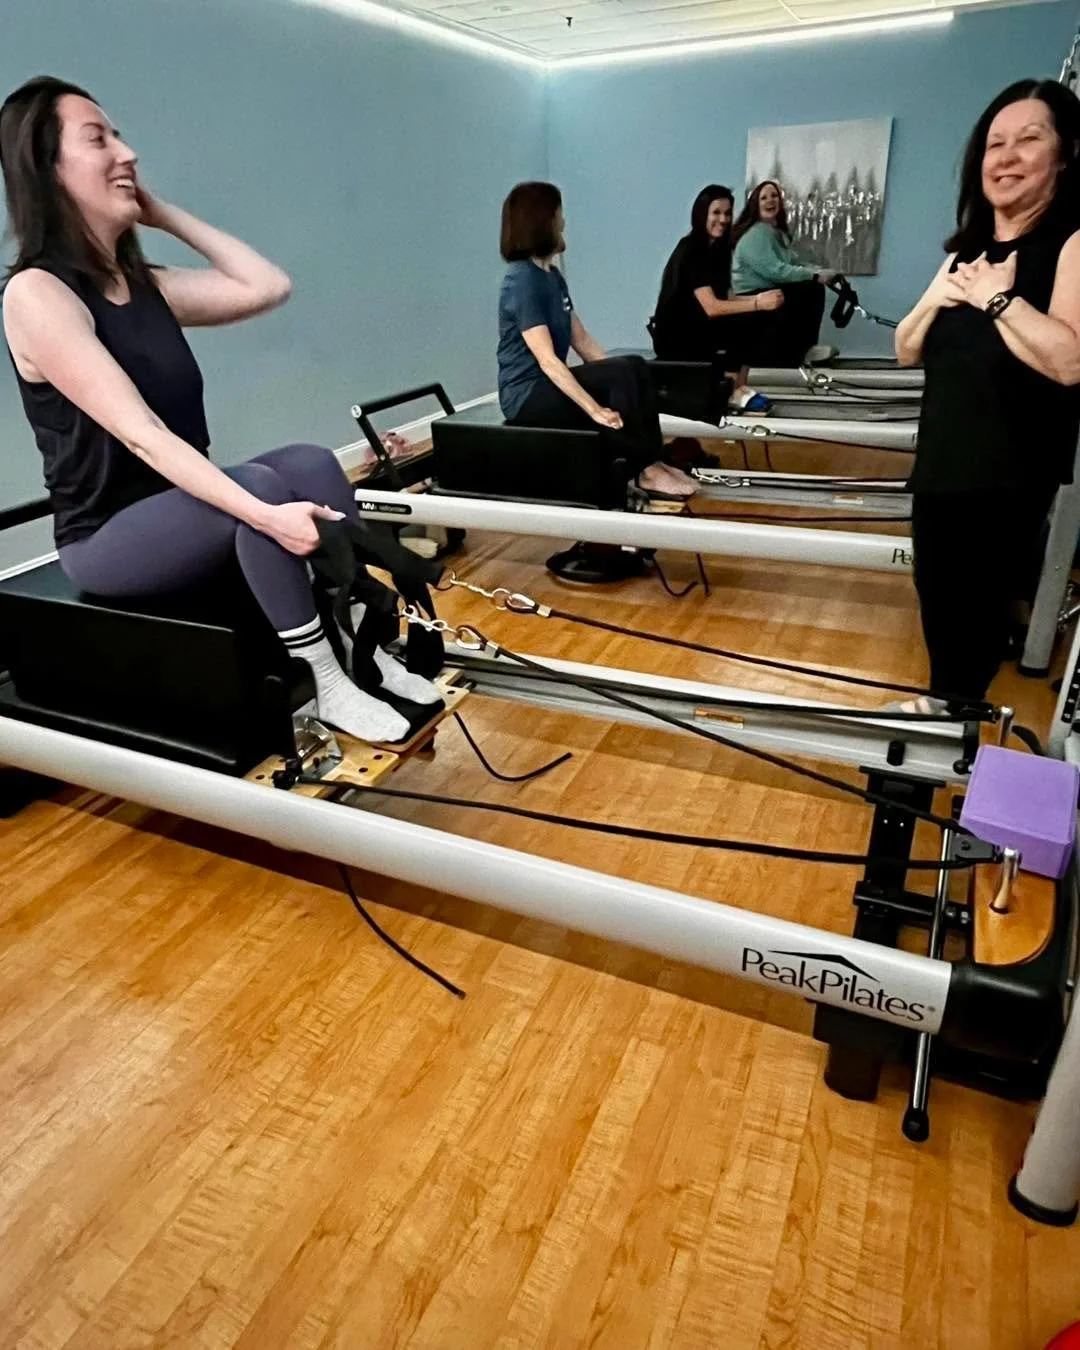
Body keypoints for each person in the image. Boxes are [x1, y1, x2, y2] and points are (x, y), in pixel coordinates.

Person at [0, 76, 438, 745]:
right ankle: (319, 677)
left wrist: (162, 213)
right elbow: (143, 435)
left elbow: (268, 286)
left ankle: (363, 646)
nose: (127, 152)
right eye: (99, 139)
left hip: (179, 507)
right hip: (106, 539)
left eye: (118, 134)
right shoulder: (38, 294)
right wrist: (265, 516)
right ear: (46, 168)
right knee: (259, 487)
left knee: (313, 463)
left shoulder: (146, 287)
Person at [894, 78, 1080, 711]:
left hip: (1005, 477)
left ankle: (951, 726)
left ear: (1065, 154)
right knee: (941, 615)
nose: (1006, 156)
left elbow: (1069, 361)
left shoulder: (1071, 243)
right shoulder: (965, 255)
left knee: (972, 629)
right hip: (941, 466)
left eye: (1029, 139)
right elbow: (906, 346)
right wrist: (939, 297)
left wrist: (997, 299)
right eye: (995, 143)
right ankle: (950, 717)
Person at [497, 180, 697, 501]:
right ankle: (645, 468)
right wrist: (594, 410)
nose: (563, 222)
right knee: (621, 372)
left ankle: (652, 459)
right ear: (542, 221)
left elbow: (582, 339)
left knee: (632, 365)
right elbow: (547, 361)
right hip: (525, 395)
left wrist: (625, 373)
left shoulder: (552, 277)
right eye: (558, 214)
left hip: (547, 385)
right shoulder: (520, 281)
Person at [651, 184, 782, 412]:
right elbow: (712, 307)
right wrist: (758, 302)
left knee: (754, 316)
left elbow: (728, 298)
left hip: (698, 325)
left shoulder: (719, 252)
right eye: (716, 213)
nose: (723, 219)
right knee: (743, 320)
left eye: (728, 213)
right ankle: (731, 390)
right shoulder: (691, 250)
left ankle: (739, 386)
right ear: (702, 214)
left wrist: (760, 302)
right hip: (676, 335)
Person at [731, 180, 837, 365]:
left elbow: (792, 262)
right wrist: (814, 276)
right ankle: (803, 351)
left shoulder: (775, 232)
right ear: (755, 204)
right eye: (764, 197)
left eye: (774, 196)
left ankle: (805, 349)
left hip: (767, 292)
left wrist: (820, 271)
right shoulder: (755, 234)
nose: (770, 201)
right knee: (810, 289)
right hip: (751, 299)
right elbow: (776, 271)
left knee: (810, 287)